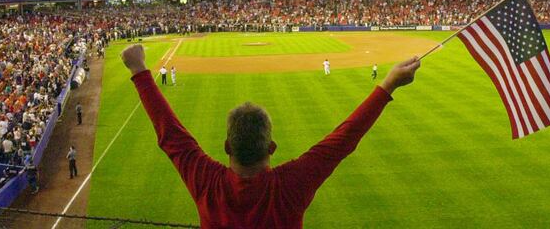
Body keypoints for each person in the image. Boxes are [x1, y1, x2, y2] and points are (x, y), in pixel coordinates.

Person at [121, 44, 420, 228]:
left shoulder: (207, 181)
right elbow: (343, 139)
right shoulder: (291, 185)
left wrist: (139, 69)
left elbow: (171, 136)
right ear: (271, 147)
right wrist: (388, 85)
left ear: (227, 146)